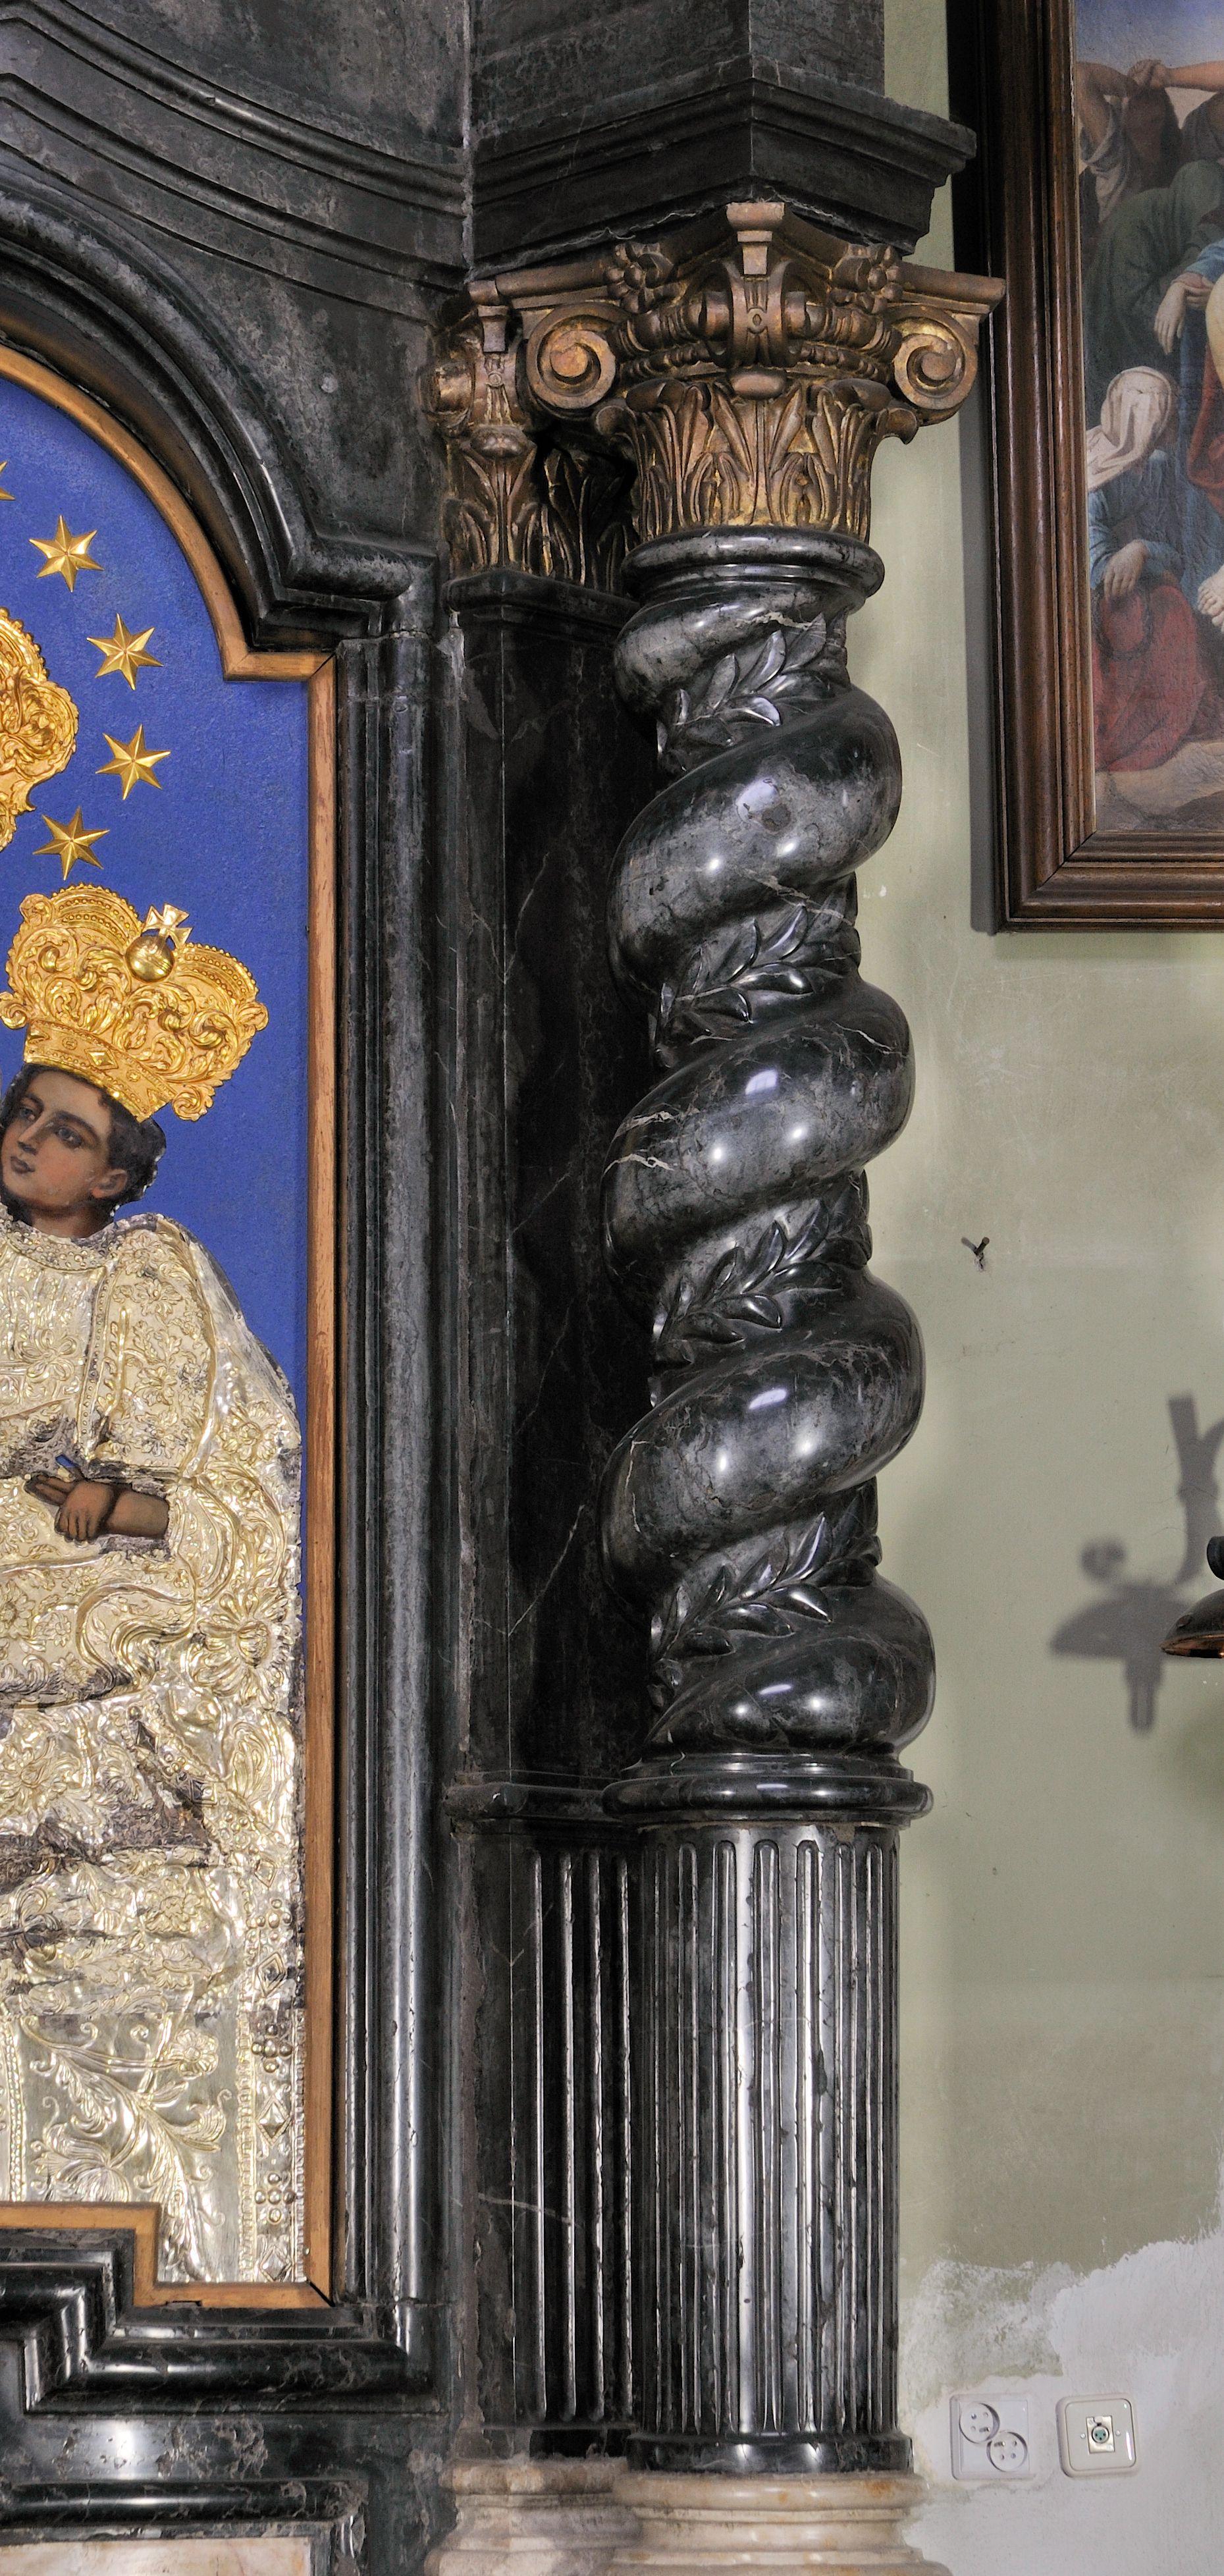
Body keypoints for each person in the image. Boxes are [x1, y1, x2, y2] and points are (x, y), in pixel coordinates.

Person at [0, 888, 302, 2288]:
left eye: (71, 1131)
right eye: (27, 1110)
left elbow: (239, 1505)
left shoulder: (151, 1276)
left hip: (88, 1632)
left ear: (119, 1175)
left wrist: (111, 1508)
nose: (32, 1140)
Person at [1088, 367, 1224, 774]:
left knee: (1172, 603)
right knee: (1142, 610)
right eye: (1164, 415)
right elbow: (1094, 568)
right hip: (1093, 596)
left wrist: (1140, 550)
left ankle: (1170, 719)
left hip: (1139, 582)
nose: (1172, 426)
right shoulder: (1089, 469)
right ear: (1142, 418)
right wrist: (1129, 559)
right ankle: (1123, 733)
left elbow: (1173, 555)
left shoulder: (1157, 466)